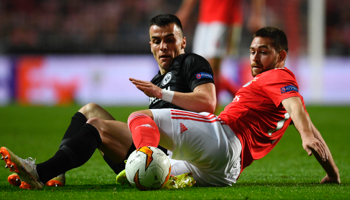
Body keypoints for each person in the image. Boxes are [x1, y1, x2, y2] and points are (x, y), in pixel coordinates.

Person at [0, 14, 216, 189]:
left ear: (183, 41)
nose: (163, 47)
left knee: (97, 126)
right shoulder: (157, 80)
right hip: (149, 153)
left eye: (170, 39)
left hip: (174, 157)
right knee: (90, 110)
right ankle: (58, 171)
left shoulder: (191, 62)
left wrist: (162, 94)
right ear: (150, 45)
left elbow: (207, 102)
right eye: (157, 41)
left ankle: (39, 173)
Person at [124, 26, 341, 186]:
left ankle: (143, 155)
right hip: (228, 172)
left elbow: (296, 110)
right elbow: (304, 119)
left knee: (140, 117)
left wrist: (305, 136)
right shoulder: (282, 94)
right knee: (158, 175)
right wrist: (332, 173)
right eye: (252, 51)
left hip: (222, 138)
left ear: (281, 56)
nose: (255, 58)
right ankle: (147, 167)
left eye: (263, 52)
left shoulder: (277, 75)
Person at [176, 0, 265, 110]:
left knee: (211, 68)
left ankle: (210, 111)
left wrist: (257, 14)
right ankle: (248, 100)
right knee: (202, 69)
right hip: (204, 19)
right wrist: (184, 12)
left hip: (225, 18)